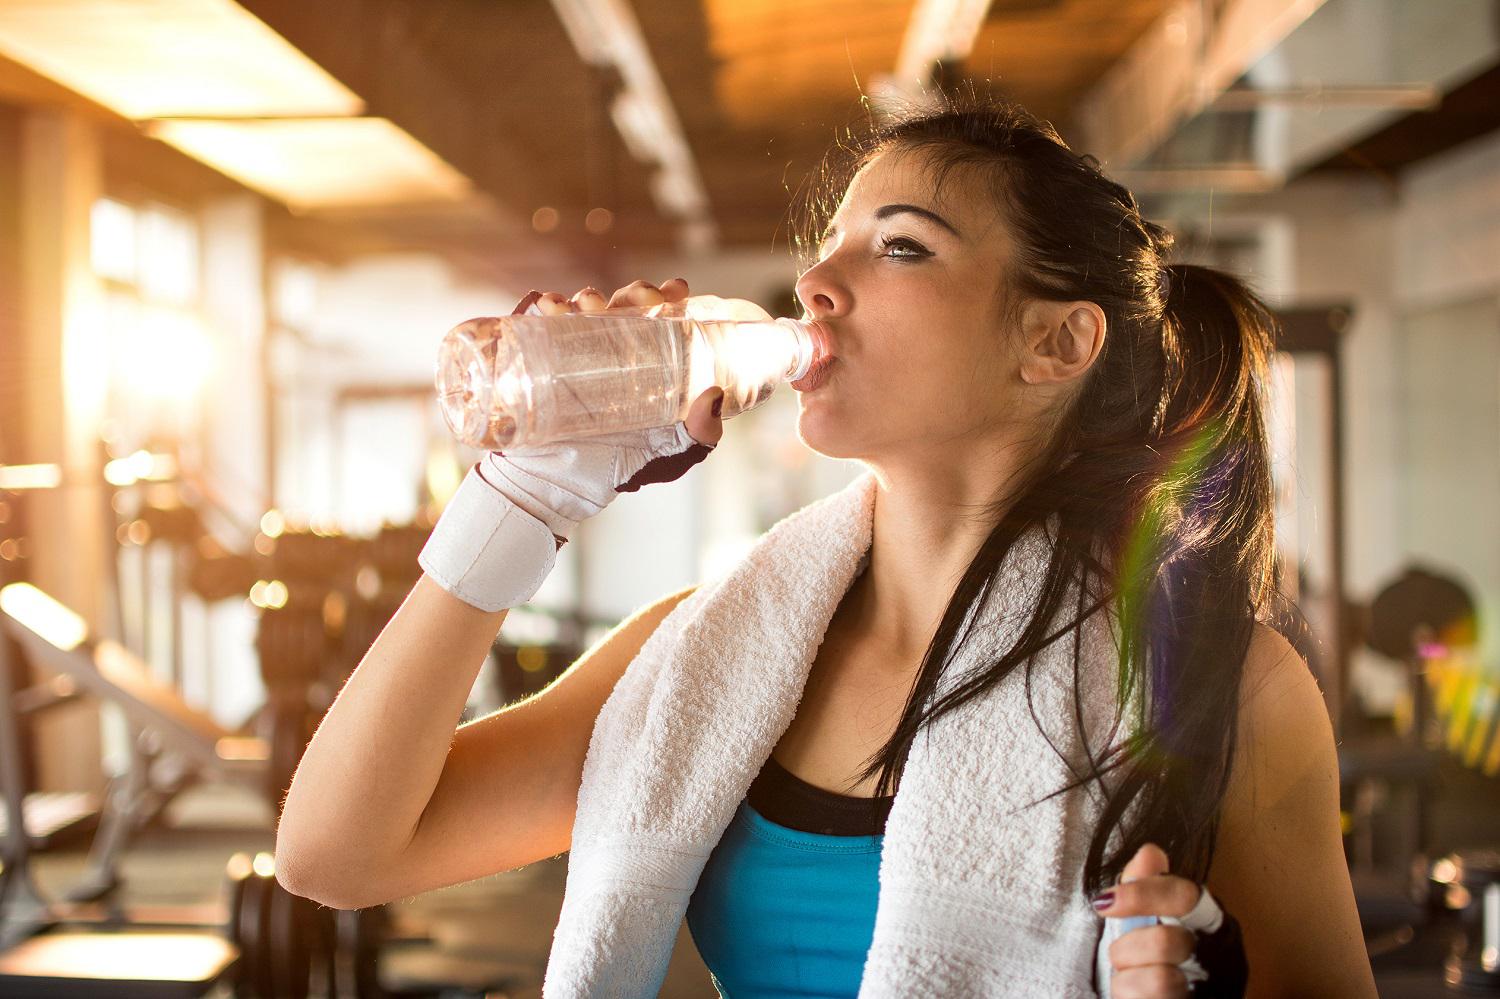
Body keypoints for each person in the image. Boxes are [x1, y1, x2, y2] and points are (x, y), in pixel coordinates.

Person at [275, 92, 1378, 997]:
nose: (813, 284)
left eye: (900, 246)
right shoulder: (700, 655)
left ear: (1055, 342)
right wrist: (521, 500)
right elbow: (338, 854)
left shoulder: (1211, 685)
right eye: (826, 246)